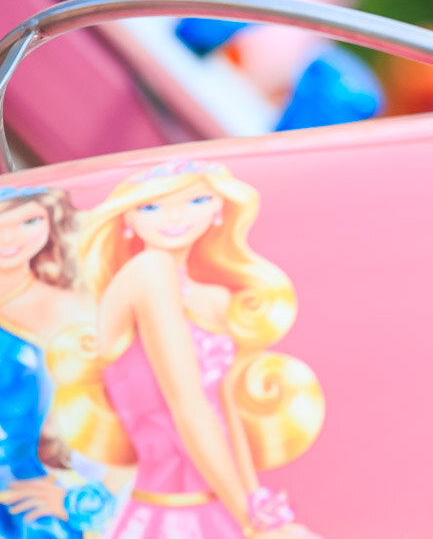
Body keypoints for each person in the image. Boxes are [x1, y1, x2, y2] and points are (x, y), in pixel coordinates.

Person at [57, 161, 322, 539]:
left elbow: (224, 408)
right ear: (127, 217)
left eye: (196, 199)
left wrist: (256, 506)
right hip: (164, 513)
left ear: (220, 208)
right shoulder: (148, 272)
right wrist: (251, 520)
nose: (175, 216)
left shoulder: (214, 298)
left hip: (217, 504)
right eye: (151, 206)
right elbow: (186, 404)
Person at [0, 187, 115, 538]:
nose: (10, 236)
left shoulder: (75, 308)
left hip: (24, 505)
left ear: (51, 220)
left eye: (29, 220)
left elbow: (137, 414)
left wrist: (88, 501)